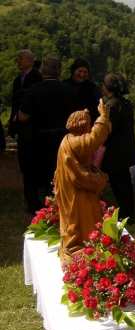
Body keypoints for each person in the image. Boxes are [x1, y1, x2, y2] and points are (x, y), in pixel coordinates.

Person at [17, 57, 78, 214]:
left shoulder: (34, 90)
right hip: (61, 136)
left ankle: (33, 203)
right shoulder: (69, 90)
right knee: (59, 170)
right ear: (59, 72)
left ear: (42, 70)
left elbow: (24, 116)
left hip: (37, 137)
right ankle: (59, 201)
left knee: (31, 171)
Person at [54, 104, 111, 264]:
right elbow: (95, 139)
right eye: (88, 123)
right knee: (80, 217)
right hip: (76, 190)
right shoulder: (75, 143)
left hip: (76, 188)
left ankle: (85, 243)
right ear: (81, 124)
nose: (89, 126)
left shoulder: (69, 139)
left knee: (83, 216)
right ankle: (80, 247)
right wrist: (103, 118)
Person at [100, 74, 135, 224]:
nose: (101, 87)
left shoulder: (112, 105)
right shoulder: (125, 103)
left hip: (115, 152)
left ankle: (127, 215)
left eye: (103, 84)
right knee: (125, 183)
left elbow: (106, 130)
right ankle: (129, 211)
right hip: (125, 150)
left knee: (119, 185)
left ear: (108, 86)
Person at [6, 50, 42, 140]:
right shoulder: (17, 80)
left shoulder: (37, 77)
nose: (18, 61)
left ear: (29, 61)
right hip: (20, 120)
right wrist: (11, 121)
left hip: (34, 122)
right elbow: (14, 102)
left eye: (21, 59)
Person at [63, 58, 102, 124]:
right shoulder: (64, 85)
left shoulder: (92, 87)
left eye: (85, 72)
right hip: (65, 125)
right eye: (80, 71)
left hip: (87, 125)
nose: (82, 75)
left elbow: (100, 105)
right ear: (73, 71)